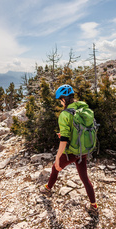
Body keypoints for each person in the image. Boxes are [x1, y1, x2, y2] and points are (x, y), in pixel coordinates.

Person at [39, 84, 98, 212]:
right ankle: (94, 205)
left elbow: (64, 140)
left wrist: (58, 157)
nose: (60, 102)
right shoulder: (83, 108)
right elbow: (78, 130)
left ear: (64, 99)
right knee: (85, 178)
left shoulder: (65, 114)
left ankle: (47, 189)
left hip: (72, 151)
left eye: (60, 100)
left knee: (55, 167)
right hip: (83, 149)